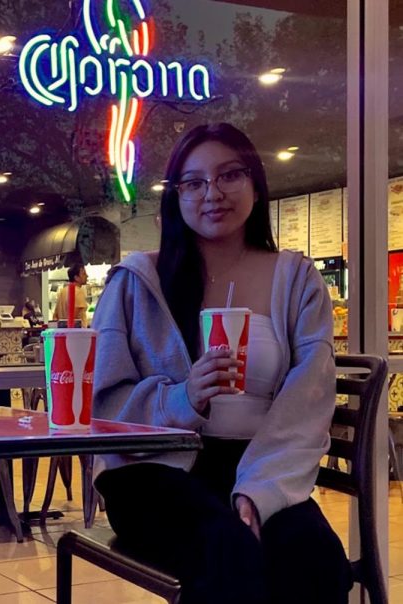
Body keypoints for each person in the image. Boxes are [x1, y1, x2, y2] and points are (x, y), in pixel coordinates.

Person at [91, 123, 349, 604]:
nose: (213, 193)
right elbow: (103, 403)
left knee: (312, 554)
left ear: (255, 183)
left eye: (230, 175)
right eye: (194, 182)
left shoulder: (295, 278)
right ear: (176, 195)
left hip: (262, 462)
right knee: (225, 548)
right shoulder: (137, 280)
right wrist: (180, 397)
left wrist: (259, 489)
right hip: (152, 470)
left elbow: (309, 395)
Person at [52, 263, 88, 327]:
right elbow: (75, 316)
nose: (87, 276)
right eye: (84, 274)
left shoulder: (62, 291)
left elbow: (55, 316)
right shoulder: (79, 292)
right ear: (76, 277)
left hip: (64, 331)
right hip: (77, 333)